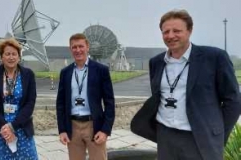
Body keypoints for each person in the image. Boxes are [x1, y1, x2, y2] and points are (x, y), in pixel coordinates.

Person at [131, 9, 241, 160]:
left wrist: (217, 134)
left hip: (198, 138)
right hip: (165, 136)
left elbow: (233, 101)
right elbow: (158, 97)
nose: (170, 36)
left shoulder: (214, 58)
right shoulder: (156, 62)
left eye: (176, 30)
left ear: (189, 31)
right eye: (166, 32)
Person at [56, 33, 115, 160]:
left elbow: (109, 102)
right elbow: (60, 103)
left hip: (94, 126)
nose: (78, 50)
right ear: (70, 49)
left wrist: (105, 130)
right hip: (73, 127)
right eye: (74, 47)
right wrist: (62, 130)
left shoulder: (101, 70)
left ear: (87, 47)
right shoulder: (65, 73)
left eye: (81, 46)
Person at [0, 38, 38, 160]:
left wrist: (12, 127)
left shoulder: (28, 75)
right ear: (1, 57)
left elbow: (30, 102)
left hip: (20, 126)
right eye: (7, 54)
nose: (11, 57)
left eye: (14, 54)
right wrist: (5, 127)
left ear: (19, 57)